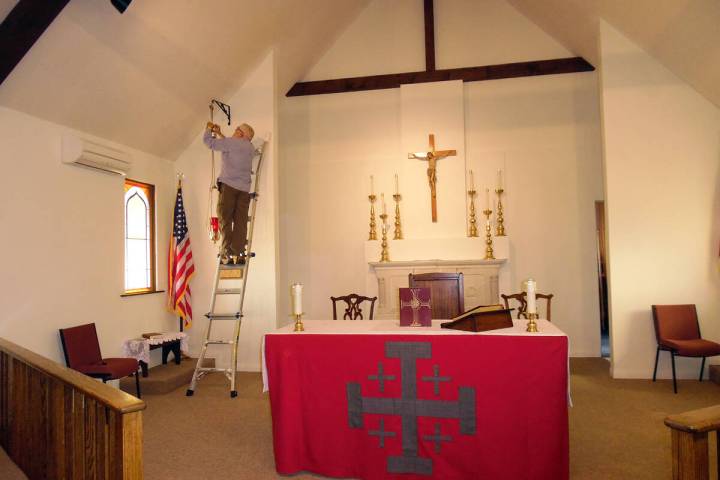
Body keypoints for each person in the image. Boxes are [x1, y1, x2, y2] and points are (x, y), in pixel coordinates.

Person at [203, 121, 255, 264]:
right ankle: (238, 252)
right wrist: (220, 134)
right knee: (240, 222)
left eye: (237, 129)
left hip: (229, 188)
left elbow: (209, 142)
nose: (235, 130)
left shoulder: (232, 143)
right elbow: (231, 147)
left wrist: (208, 129)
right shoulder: (250, 147)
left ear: (241, 134)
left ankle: (226, 251)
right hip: (244, 190)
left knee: (225, 218)